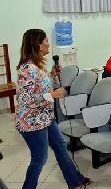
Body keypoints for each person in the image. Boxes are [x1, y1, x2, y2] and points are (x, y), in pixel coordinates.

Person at [16, 29, 91, 189]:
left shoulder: (38, 66)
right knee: (39, 159)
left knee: (61, 147)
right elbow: (25, 99)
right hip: (32, 123)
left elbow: (45, 88)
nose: (49, 43)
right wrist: (52, 95)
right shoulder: (27, 69)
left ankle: (75, 181)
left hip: (46, 119)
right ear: (38, 44)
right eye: (46, 41)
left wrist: (53, 75)